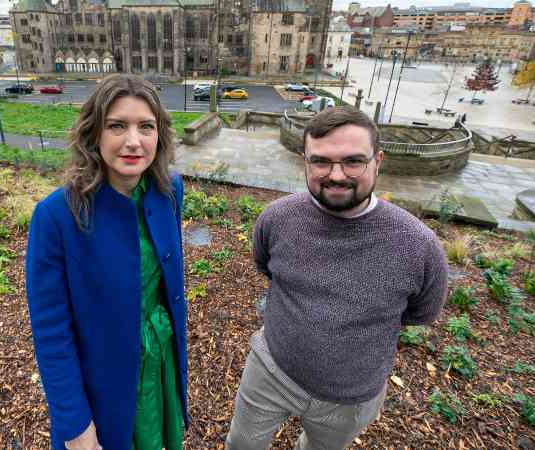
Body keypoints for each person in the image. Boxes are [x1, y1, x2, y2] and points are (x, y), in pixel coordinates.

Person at [226, 106, 449, 450]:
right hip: (271, 370)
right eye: (321, 161)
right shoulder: (277, 219)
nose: (336, 174)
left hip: (350, 398)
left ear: (378, 160)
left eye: (353, 161)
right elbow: (265, 266)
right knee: (241, 444)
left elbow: (422, 313)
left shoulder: (418, 246)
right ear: (305, 161)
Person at [25, 74, 187, 450]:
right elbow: (51, 333)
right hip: (103, 378)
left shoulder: (168, 190)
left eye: (146, 127)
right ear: (94, 133)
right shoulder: (56, 216)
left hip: (158, 362)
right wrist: (75, 425)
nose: (133, 141)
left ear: (159, 135)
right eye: (117, 126)